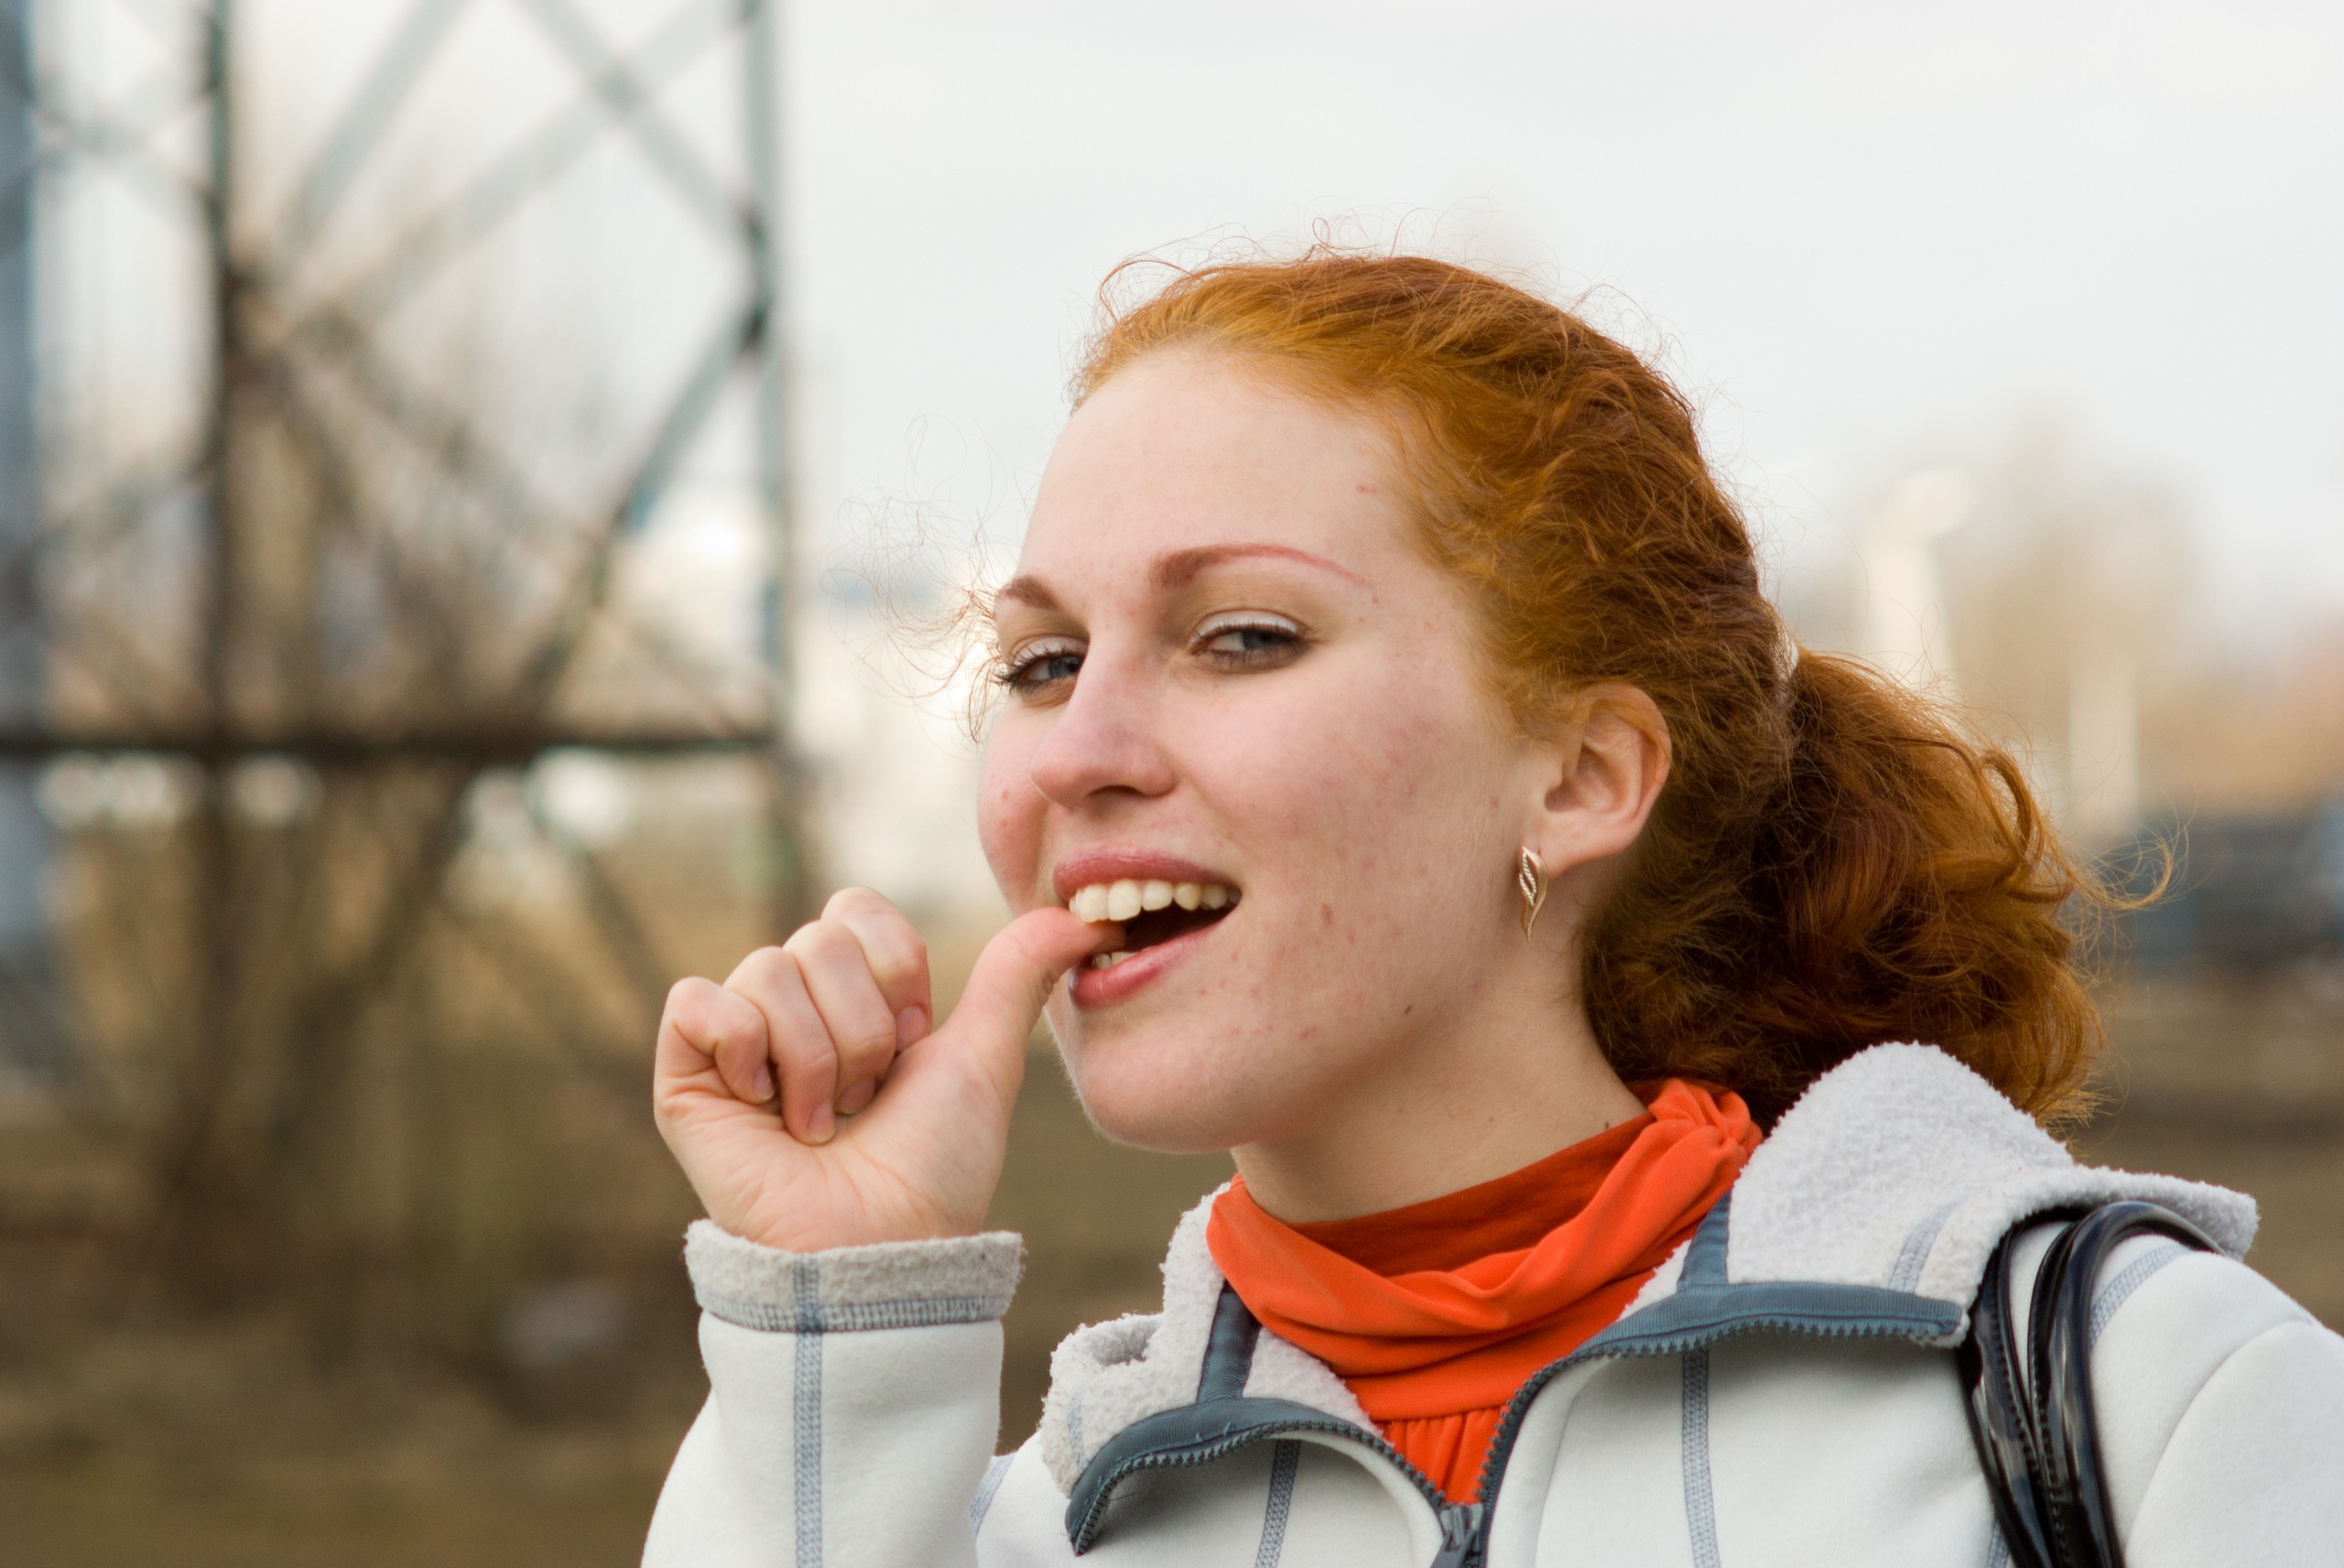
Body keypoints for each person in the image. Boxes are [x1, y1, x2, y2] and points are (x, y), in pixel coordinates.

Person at [641, 253, 2344, 1567]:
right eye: (1041, 662)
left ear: (1584, 776)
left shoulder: (2130, 1395)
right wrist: (836, 1337)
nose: (1077, 749)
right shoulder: (1049, 1525)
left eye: (1242, 637)